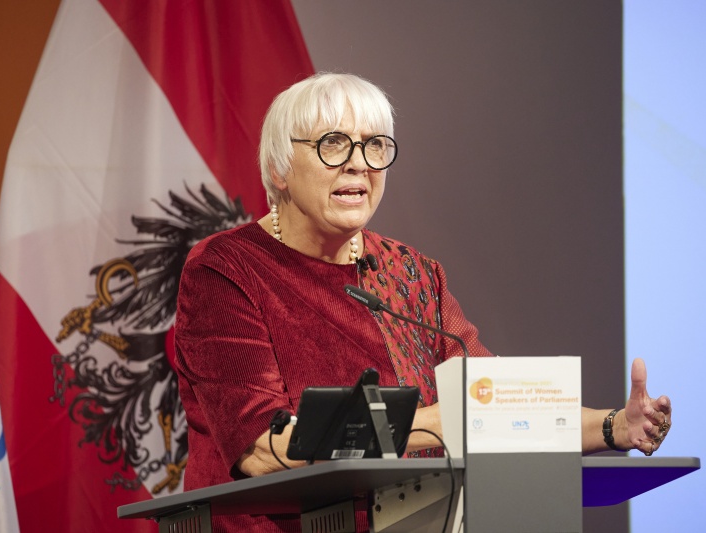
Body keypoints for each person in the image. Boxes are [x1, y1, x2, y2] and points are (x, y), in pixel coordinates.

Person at [174, 72, 672, 532]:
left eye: (374, 145)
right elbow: (264, 448)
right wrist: (435, 424)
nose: (358, 162)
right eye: (333, 143)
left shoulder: (411, 273)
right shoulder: (226, 269)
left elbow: (497, 403)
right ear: (279, 168)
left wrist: (615, 426)